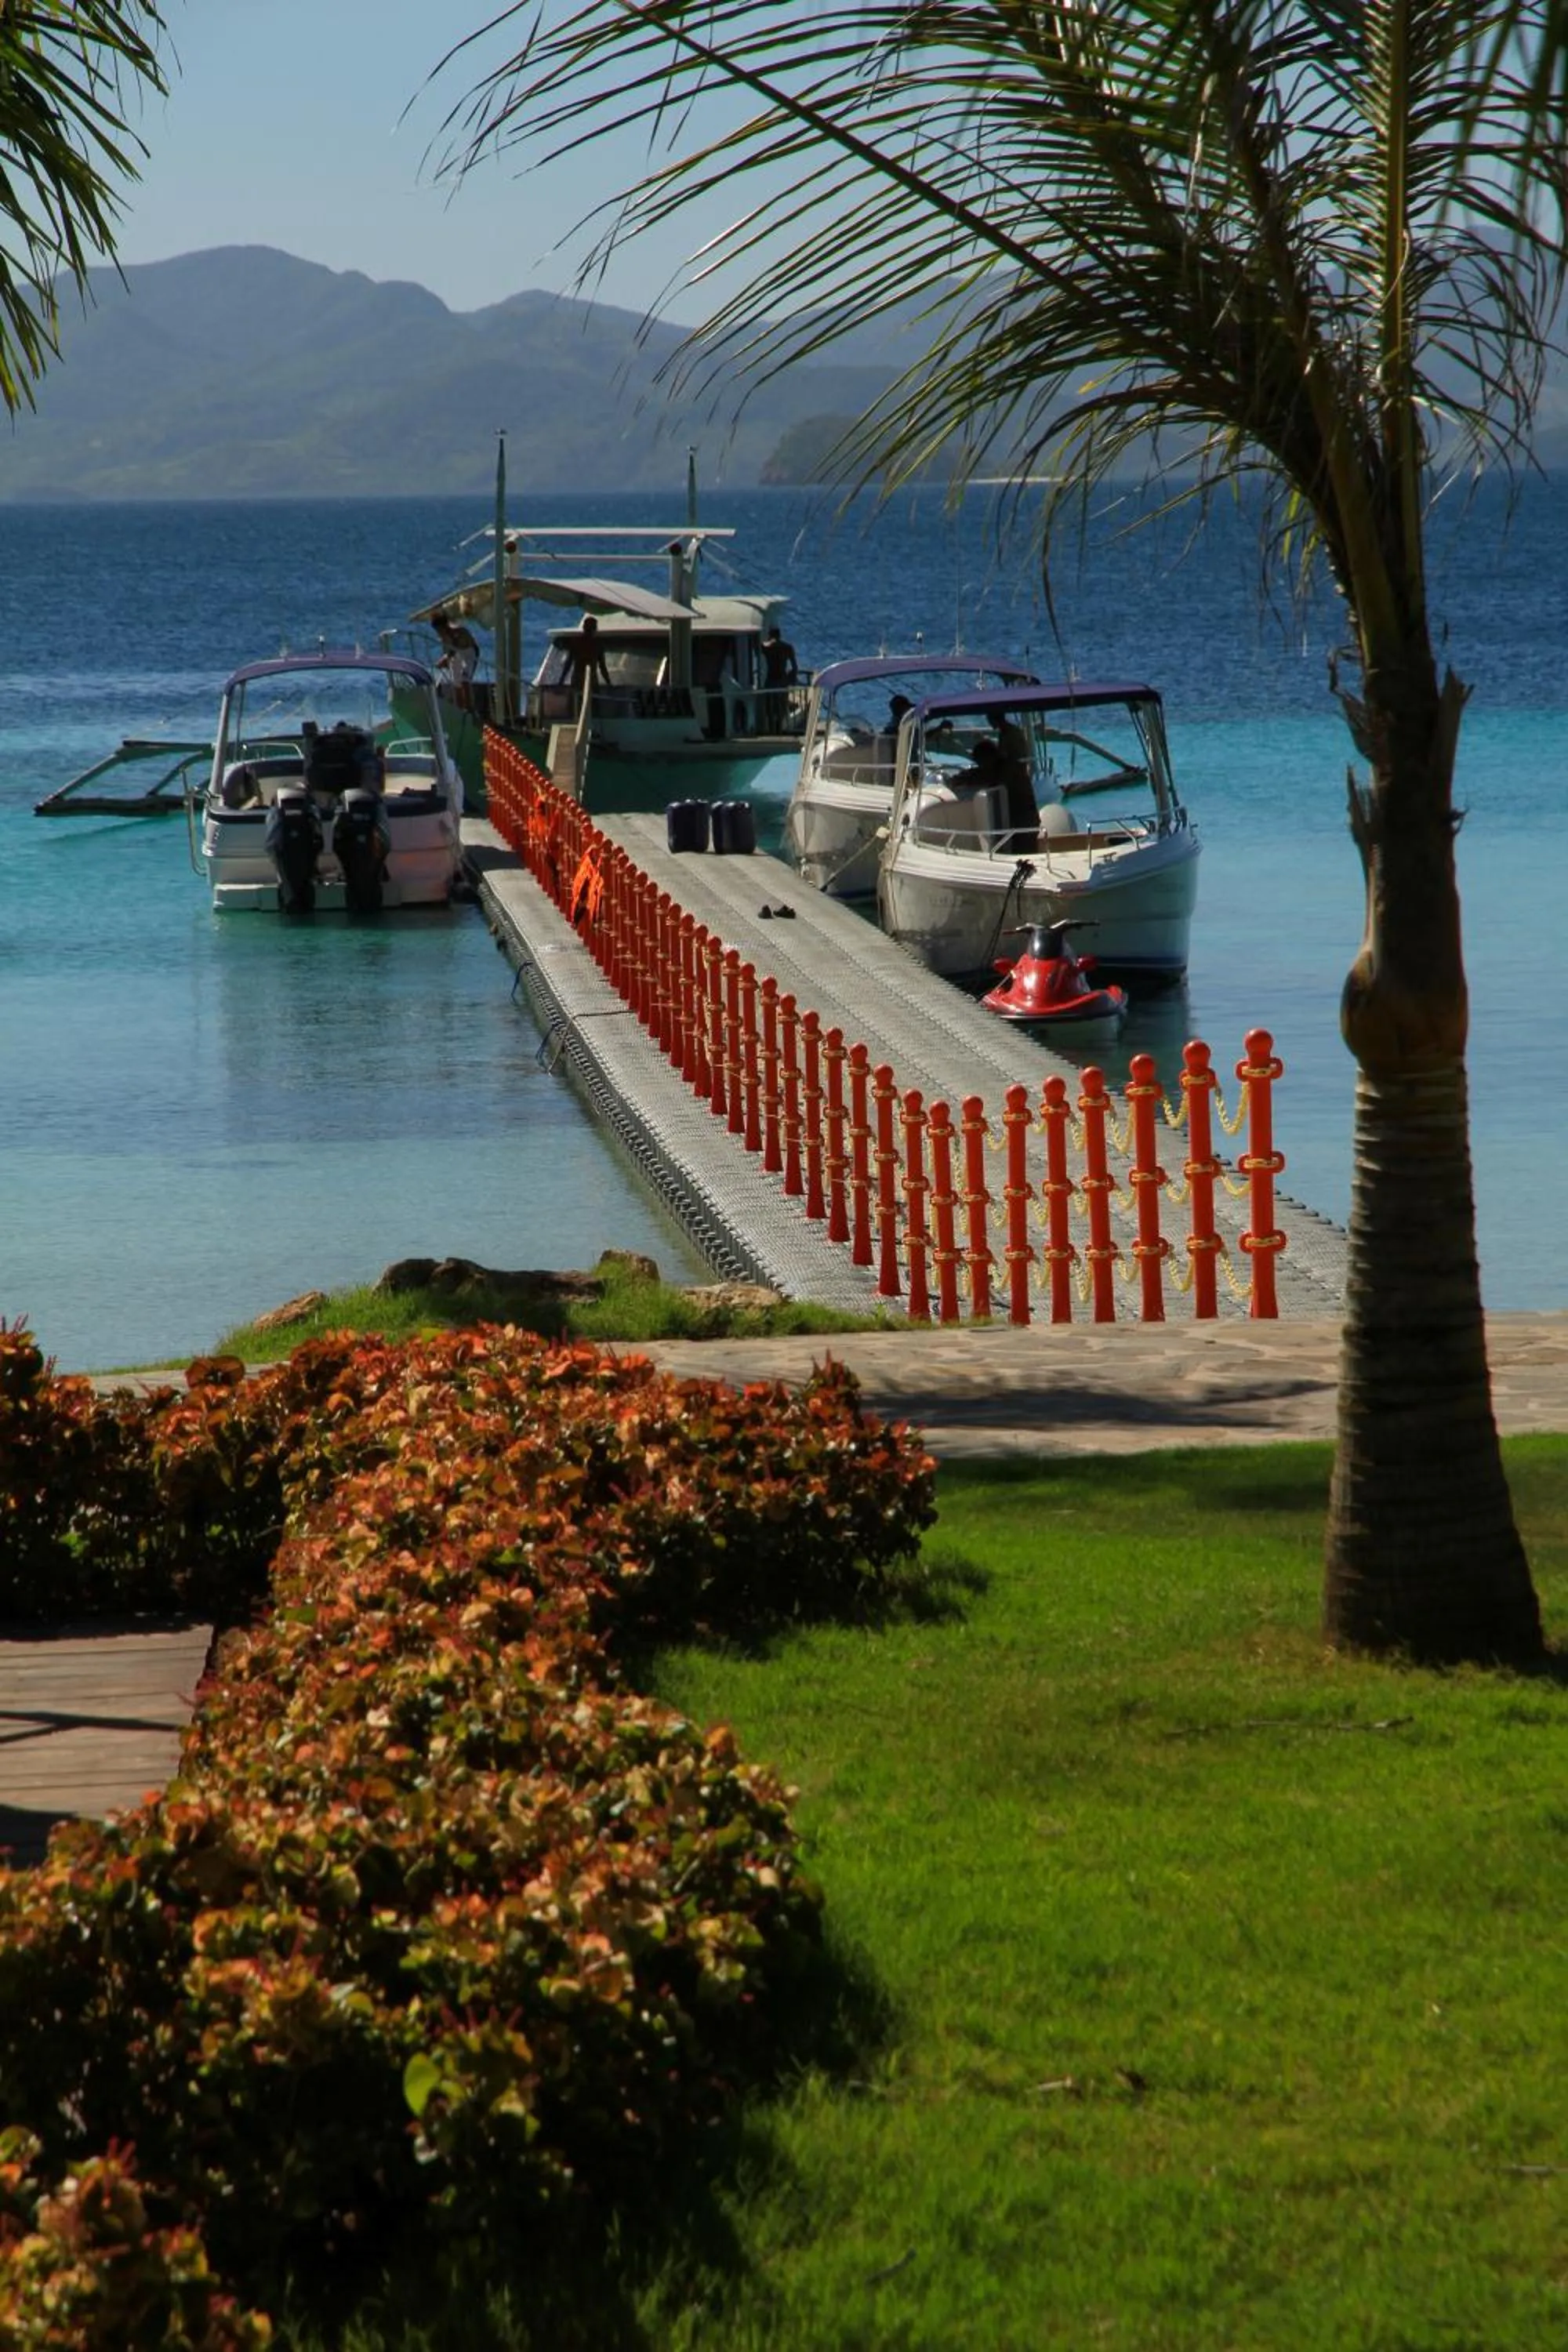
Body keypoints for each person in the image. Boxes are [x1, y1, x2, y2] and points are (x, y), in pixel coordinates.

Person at [430, 610, 480, 710]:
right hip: (455, 657)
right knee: (456, 683)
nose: (439, 632)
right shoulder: (443, 638)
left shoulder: (460, 631)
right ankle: (459, 709)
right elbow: (449, 652)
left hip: (467, 654)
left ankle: (469, 708)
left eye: (440, 629)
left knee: (464, 680)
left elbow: (466, 646)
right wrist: (445, 660)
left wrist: (446, 658)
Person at [561, 613, 612, 706]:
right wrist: (609, 684)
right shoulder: (596, 645)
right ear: (594, 629)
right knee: (590, 704)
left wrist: (561, 680)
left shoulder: (577, 643)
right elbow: (602, 667)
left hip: (582, 679)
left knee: (578, 704)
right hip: (586, 679)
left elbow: (568, 663)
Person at [760, 624, 799, 727]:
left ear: (770, 635)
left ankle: (771, 727)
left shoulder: (766, 647)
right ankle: (779, 727)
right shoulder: (787, 647)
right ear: (779, 635)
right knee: (781, 705)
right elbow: (795, 667)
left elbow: (760, 646)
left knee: (769, 705)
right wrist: (792, 678)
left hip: (771, 678)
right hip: (782, 679)